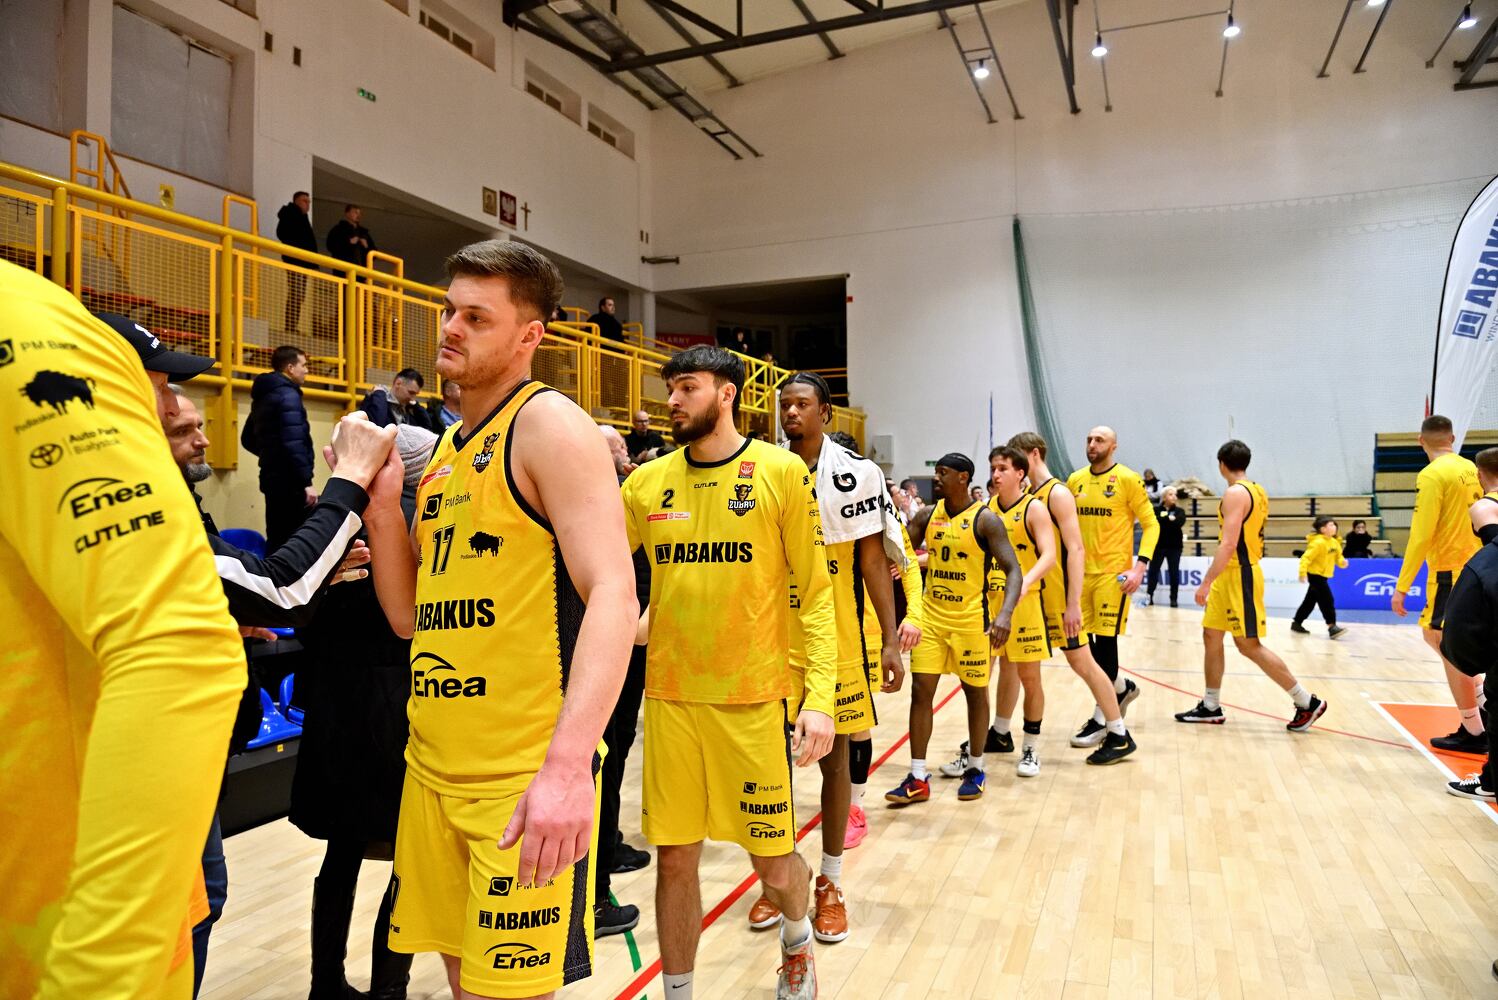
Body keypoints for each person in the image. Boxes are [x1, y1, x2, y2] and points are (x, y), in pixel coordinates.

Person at [364, 239, 637, 1000]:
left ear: (529, 335)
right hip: (432, 770)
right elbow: (409, 617)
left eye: (476, 317)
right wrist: (382, 509)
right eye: (449, 310)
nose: (451, 327)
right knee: (464, 987)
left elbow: (614, 595)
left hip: (519, 779)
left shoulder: (548, 426)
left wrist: (567, 770)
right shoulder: (448, 451)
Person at [1, 261, 245, 1000]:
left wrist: (96, 979)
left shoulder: (24, 324)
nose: (178, 412)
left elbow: (183, 643)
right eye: (164, 388)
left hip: (48, 923)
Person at [619, 345, 836, 1000]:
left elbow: (817, 595)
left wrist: (819, 699)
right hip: (671, 701)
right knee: (674, 861)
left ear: (727, 393)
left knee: (774, 864)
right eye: (670, 388)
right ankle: (679, 992)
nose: (672, 400)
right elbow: (599, 574)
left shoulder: (780, 472)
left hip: (751, 701)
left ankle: (796, 937)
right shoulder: (645, 484)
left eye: (687, 387)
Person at [744, 372, 909, 945]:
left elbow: (872, 562)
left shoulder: (857, 474)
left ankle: (831, 882)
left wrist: (889, 639)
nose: (791, 412)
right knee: (768, 770)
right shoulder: (759, 470)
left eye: (802, 404)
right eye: (784, 405)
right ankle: (778, 879)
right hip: (769, 641)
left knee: (835, 762)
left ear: (825, 413)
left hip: (833, 642)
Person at [292, 425, 429, 1000]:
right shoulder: (416, 526)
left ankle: (325, 984)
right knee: (408, 863)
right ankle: (389, 991)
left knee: (340, 854)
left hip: (335, 706)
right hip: (396, 708)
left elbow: (300, 614)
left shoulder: (328, 518)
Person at [943, 437, 1137, 777]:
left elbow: (1075, 550)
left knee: (1081, 661)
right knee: (1009, 666)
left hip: (1055, 596)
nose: (998, 472)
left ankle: (1119, 733)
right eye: (995, 467)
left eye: (1008, 463)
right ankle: (1001, 731)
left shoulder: (1056, 494)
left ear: (1030, 457)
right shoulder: (1005, 501)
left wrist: (1073, 603)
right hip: (1020, 598)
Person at [886, 452, 1021, 806]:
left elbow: (1014, 569)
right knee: (920, 693)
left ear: (963, 478)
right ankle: (917, 776)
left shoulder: (986, 520)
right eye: (937, 473)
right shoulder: (928, 515)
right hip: (932, 620)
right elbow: (898, 549)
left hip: (970, 622)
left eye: (943, 473)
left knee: (975, 694)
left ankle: (975, 768)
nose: (937, 479)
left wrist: (1005, 614)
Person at [1176, 441, 1328, 731]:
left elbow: (1229, 543)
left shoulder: (1236, 493)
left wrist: (1206, 581)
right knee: (1211, 635)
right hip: (1230, 574)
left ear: (1221, 464)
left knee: (1248, 645)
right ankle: (1210, 705)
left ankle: (1307, 701)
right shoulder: (1256, 489)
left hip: (1240, 574)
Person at [1392, 415, 1485, 754]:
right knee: (1448, 641)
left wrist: (1402, 585)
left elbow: (1421, 534)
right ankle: (1481, 707)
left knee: (1444, 642)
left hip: (1449, 568)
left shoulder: (1432, 474)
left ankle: (1474, 728)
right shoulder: (1470, 468)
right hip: (1478, 563)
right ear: (1453, 438)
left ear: (1421, 441)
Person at [1066, 427, 1159, 747]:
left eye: (1099, 440)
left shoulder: (1127, 479)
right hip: (1080, 576)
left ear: (1114, 446)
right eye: (1089, 439)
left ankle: (1103, 718)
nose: (1092, 444)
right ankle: (1120, 689)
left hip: (1112, 576)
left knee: (1105, 647)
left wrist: (1140, 567)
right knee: (1082, 648)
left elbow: (1151, 524)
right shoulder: (1075, 480)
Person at [593, 423, 650, 939]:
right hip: (615, 647)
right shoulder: (609, 503)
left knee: (613, 754)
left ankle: (607, 847)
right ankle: (595, 886)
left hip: (620, 643)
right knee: (605, 759)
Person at [849, 479, 925, 848]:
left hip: (862, 630)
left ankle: (854, 806)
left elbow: (907, 564)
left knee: (855, 723)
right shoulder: (797, 489)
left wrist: (914, 615)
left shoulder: (873, 502)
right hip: (804, 628)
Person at [243, 344, 317, 551]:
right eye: (304, 365)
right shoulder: (288, 395)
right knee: (295, 543)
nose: (307, 370)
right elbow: (293, 442)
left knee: (276, 538)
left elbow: (247, 439)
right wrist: (306, 482)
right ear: (290, 368)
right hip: (291, 483)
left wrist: (271, 456)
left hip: (271, 479)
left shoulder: (264, 395)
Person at [1292, 516, 1349, 639]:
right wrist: (1302, 573)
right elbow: (1306, 558)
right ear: (1323, 529)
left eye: (1334, 524)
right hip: (1315, 575)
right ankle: (1332, 626)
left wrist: (1342, 562)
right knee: (1327, 600)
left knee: (1310, 601)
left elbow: (1338, 557)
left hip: (1324, 576)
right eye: (1331, 525)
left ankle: (1297, 623)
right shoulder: (1317, 543)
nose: (1334, 527)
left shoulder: (1334, 542)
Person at [276, 190, 320, 334]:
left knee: (299, 295)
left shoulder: (303, 218)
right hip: (295, 261)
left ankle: (292, 327)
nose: (308, 205)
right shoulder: (290, 215)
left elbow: (309, 242)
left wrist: (314, 263)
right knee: (296, 293)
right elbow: (282, 233)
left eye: (309, 202)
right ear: (296, 201)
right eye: (304, 201)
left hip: (303, 262)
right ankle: (290, 327)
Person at [360, 368, 435, 430]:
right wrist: (379, 394)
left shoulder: (409, 408)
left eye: (415, 394)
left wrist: (417, 406)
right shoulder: (376, 400)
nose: (413, 398)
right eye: (411, 392)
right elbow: (378, 425)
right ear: (398, 383)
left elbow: (427, 429)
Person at [1148, 487, 1186, 606]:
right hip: (1158, 546)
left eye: (1175, 494)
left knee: (1174, 573)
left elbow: (1179, 522)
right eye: (1171, 494)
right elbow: (1155, 521)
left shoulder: (1180, 511)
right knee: (1153, 571)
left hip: (1175, 547)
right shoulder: (1155, 509)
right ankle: (1149, 596)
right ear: (1164, 497)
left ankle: (1173, 599)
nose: (1174, 497)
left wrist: (1165, 520)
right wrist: (1168, 518)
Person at [326, 204, 376, 269]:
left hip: (361, 271)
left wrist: (366, 246)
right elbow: (330, 246)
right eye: (355, 212)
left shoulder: (364, 233)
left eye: (359, 213)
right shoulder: (339, 229)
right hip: (343, 269)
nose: (358, 215)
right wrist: (348, 242)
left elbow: (374, 254)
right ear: (347, 214)